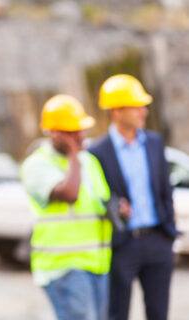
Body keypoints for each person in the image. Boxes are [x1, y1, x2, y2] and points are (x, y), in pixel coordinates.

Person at [89, 74, 178, 320]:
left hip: (158, 240)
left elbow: (165, 190)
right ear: (117, 111)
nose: (144, 111)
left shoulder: (154, 142)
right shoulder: (96, 152)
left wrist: (168, 233)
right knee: (117, 314)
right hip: (122, 245)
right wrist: (115, 207)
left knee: (159, 314)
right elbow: (97, 197)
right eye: (137, 106)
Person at [20, 94, 112, 320]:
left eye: (80, 130)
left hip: (97, 263)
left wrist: (118, 209)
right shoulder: (37, 164)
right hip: (63, 266)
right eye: (72, 132)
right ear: (53, 132)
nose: (80, 136)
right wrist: (73, 155)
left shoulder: (88, 162)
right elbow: (69, 194)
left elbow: (102, 201)